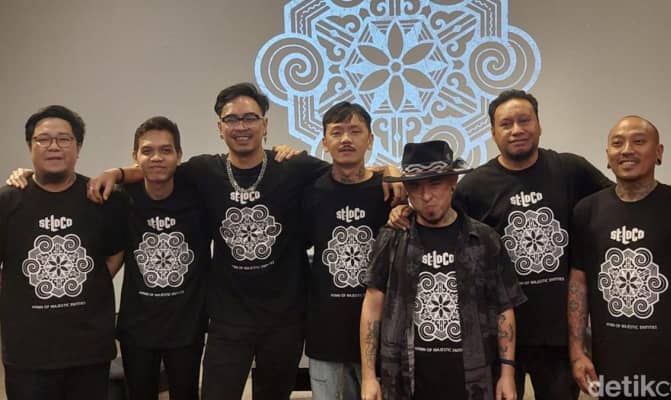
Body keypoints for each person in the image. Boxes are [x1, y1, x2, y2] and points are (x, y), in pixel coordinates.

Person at [81, 83, 402, 399]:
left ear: (265, 124)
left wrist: (391, 171)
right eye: (232, 119)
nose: (242, 126)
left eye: (250, 118)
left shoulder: (293, 167)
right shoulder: (204, 170)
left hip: (285, 318)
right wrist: (116, 173)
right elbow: (158, 168)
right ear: (220, 128)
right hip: (227, 319)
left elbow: (349, 167)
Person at [391, 89, 671, 399]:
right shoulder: (474, 185)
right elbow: (440, 216)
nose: (517, 130)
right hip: (498, 338)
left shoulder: (570, 169)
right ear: (492, 133)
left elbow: (627, 194)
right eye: (506, 124)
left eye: (524, 120)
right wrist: (405, 208)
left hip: (558, 341)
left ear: (539, 124)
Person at [360, 140, 527, 400]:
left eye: (435, 184)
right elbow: (373, 305)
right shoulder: (392, 238)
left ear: (452, 182)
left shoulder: (484, 240)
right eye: (416, 186)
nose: (426, 196)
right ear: (406, 190)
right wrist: (369, 376)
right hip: (405, 381)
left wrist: (507, 373)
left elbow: (504, 307)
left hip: (472, 380)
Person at [567, 116, 671, 399]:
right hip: (610, 368)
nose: (627, 150)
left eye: (639, 141)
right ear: (607, 156)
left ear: (659, 152)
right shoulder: (586, 211)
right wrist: (577, 353)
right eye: (617, 143)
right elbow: (578, 285)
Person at [0, 105, 126, 399]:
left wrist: (89, 282)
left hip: (89, 350)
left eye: (64, 139)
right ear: (30, 146)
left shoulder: (101, 198)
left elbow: (116, 252)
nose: (54, 146)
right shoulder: (7, 202)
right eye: (43, 139)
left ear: (78, 147)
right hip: (27, 353)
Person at [301, 102, 391, 399]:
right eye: (337, 132)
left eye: (355, 131)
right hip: (326, 335)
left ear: (370, 139)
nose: (346, 139)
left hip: (382, 336)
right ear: (324, 142)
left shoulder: (389, 191)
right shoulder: (310, 192)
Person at [116, 116, 210, 400]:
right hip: (137, 327)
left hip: (187, 326)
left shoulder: (200, 195)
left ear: (179, 155)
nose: (156, 157)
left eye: (166, 150)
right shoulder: (121, 199)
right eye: (147, 151)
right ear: (135, 157)